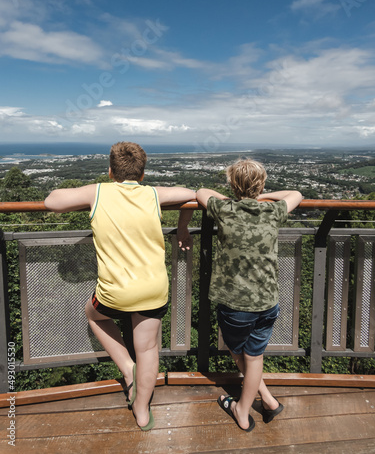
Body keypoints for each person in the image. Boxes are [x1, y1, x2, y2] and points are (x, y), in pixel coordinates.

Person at [44, 141, 195, 431]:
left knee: (93, 314)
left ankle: (127, 369)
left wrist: (95, 188)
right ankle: (142, 410)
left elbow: (52, 201)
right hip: (154, 289)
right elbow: (192, 195)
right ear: (142, 173)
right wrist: (184, 227)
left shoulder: (98, 192)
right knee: (149, 348)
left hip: (116, 292)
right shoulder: (153, 194)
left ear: (111, 170)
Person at [196, 158, 302, 432]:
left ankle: (242, 410)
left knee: (237, 351)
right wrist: (262, 196)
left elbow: (200, 193)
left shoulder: (225, 209)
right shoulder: (273, 212)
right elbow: (297, 195)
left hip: (236, 304)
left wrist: (238, 197)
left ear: (232, 185)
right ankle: (266, 399)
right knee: (254, 356)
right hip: (267, 302)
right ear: (262, 184)